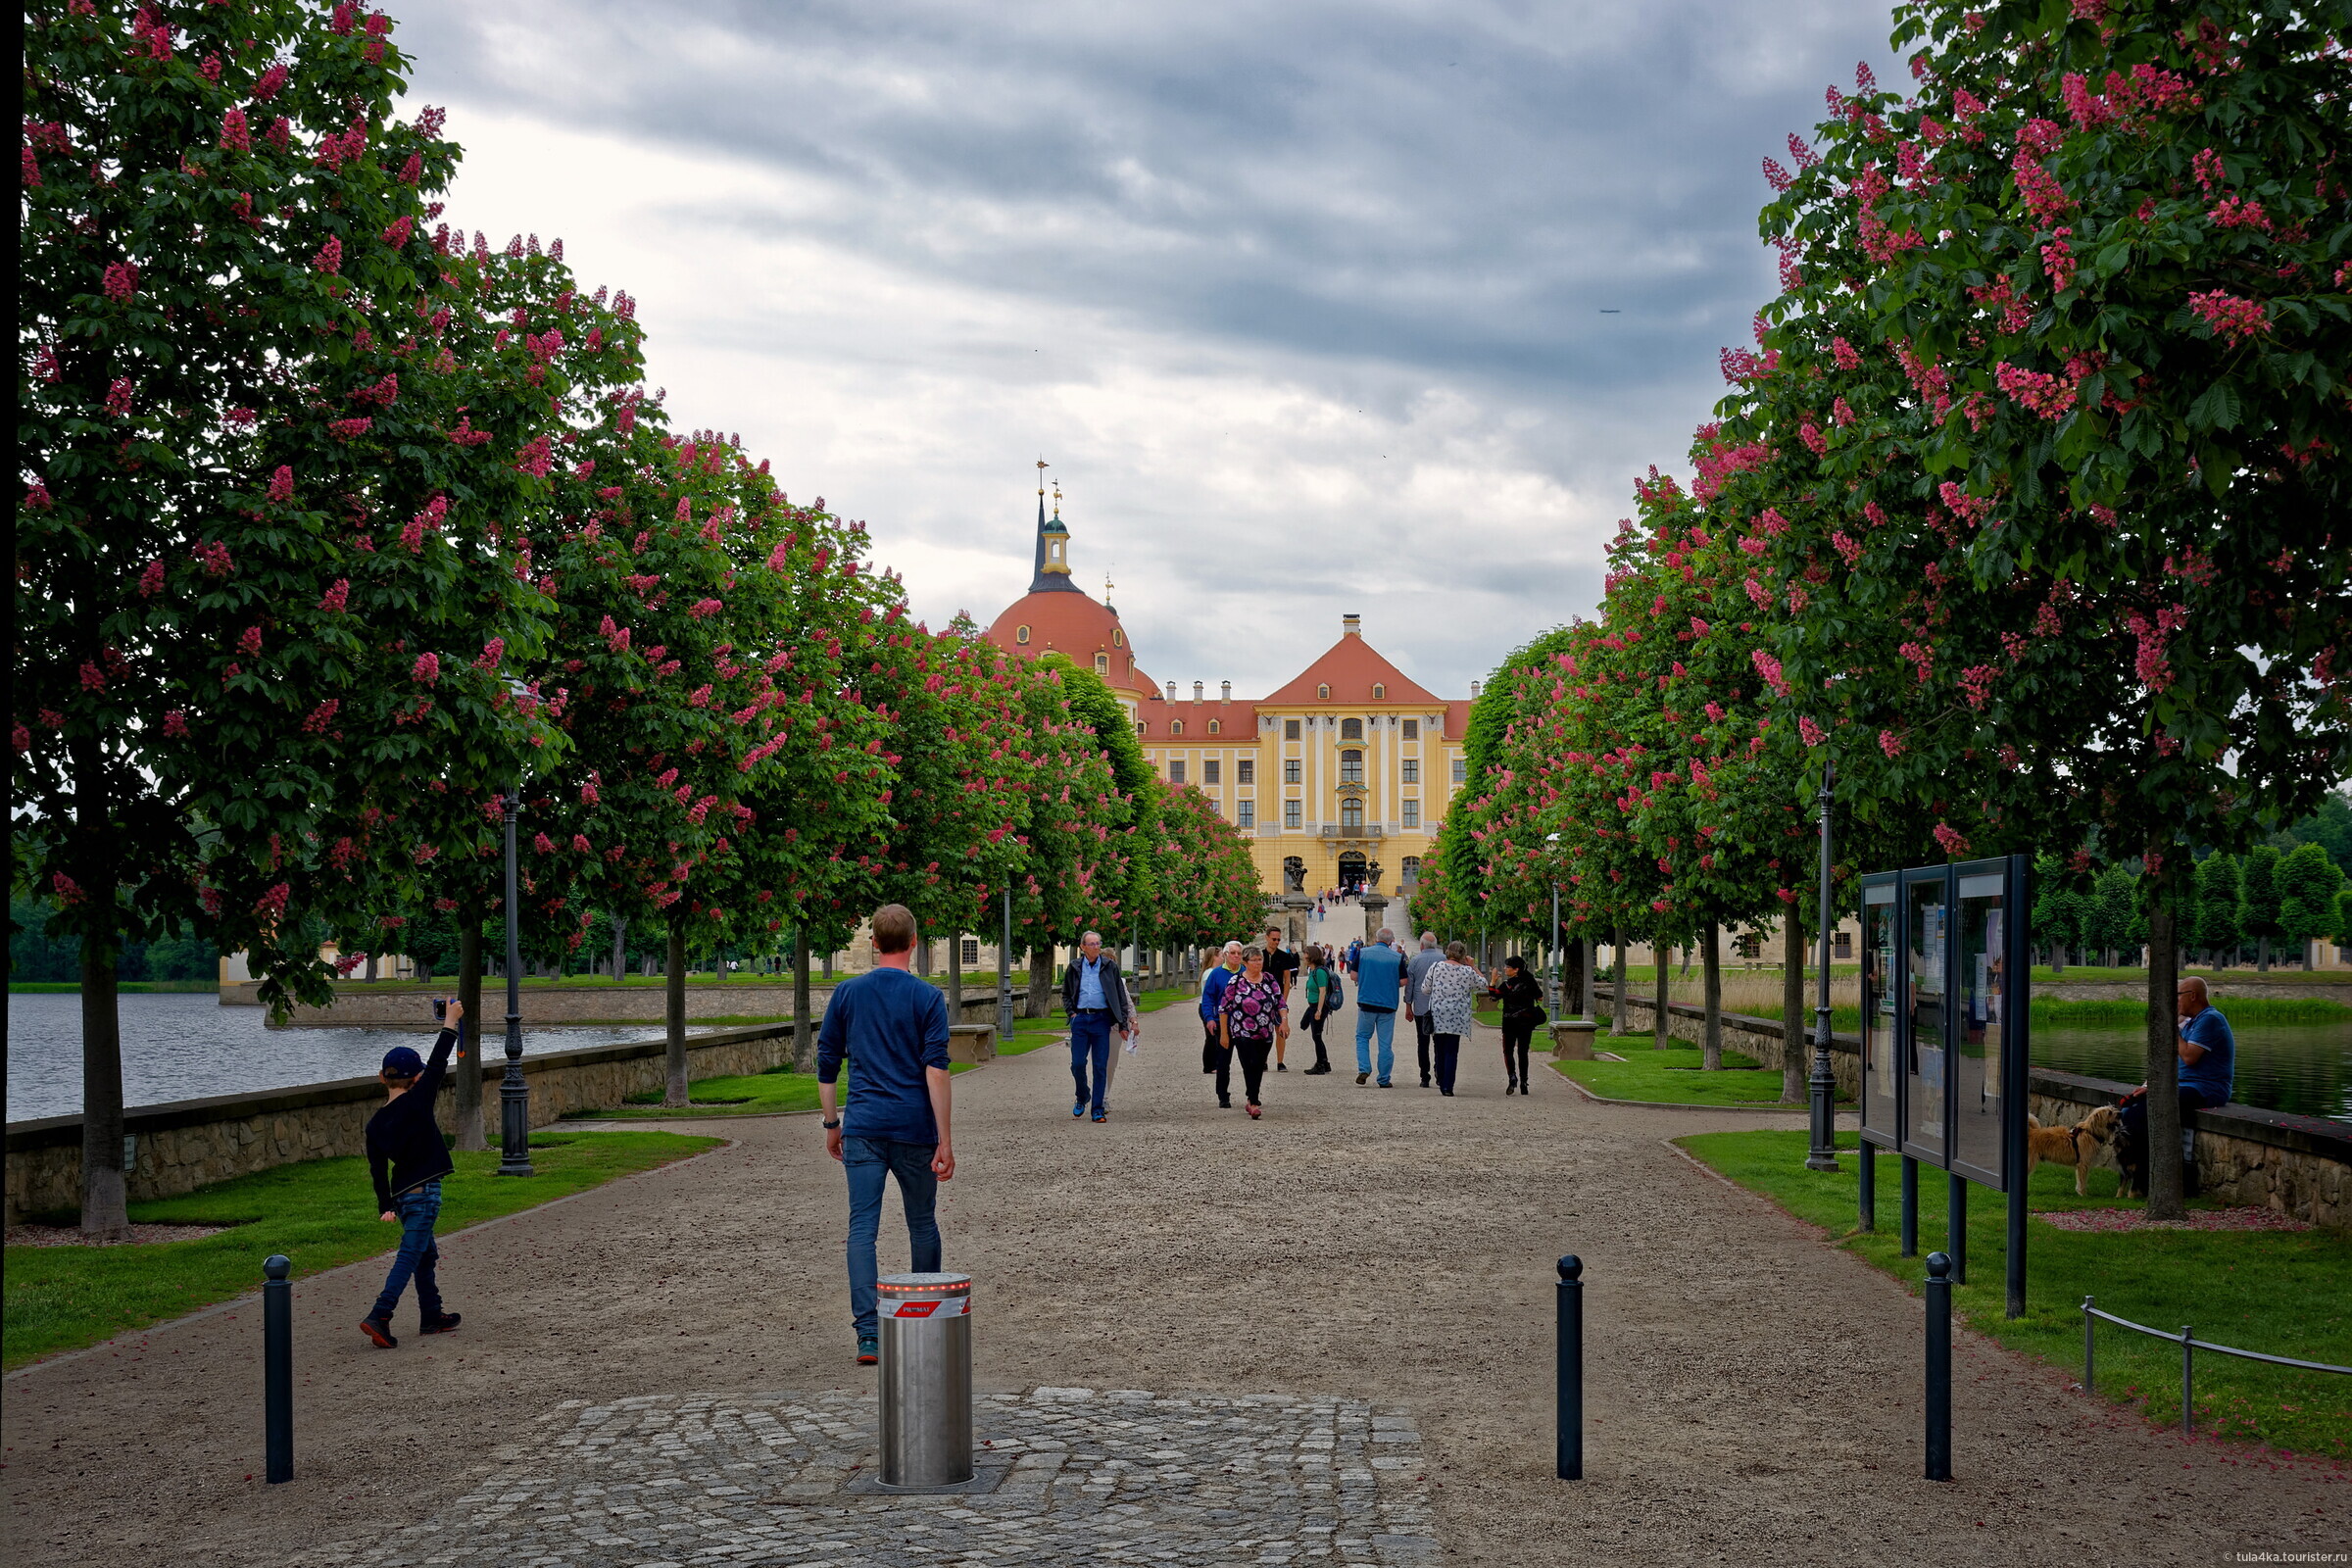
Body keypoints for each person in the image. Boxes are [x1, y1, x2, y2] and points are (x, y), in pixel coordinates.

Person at [817, 903, 955, 1365]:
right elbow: (936, 1070)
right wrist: (945, 1138)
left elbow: (828, 1063)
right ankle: (925, 1316)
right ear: (914, 943)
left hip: (865, 1125)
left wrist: (833, 1123)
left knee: (862, 1229)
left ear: (874, 943)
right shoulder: (928, 998)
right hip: (914, 1127)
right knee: (922, 1223)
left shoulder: (848, 993)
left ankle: (869, 1334)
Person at [360, 1000, 466, 1348]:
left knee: (425, 1254)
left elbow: (378, 1170)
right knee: (410, 1253)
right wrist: (451, 1021)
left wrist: (384, 1205)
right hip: (425, 1194)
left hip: (404, 1196)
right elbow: (439, 1061)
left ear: (381, 1078)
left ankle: (431, 1316)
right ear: (417, 1078)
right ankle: (381, 1313)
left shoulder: (375, 1124)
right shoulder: (419, 1100)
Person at [2116, 976, 2233, 1199]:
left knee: (2142, 1114)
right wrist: (2150, 1086)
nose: (2175, 1000)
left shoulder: (2210, 1019)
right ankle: (2139, 1178)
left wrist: (2172, 1029)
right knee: (2129, 1110)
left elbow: (2189, 1057)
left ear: (2193, 995)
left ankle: (2146, 1181)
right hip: (2183, 1086)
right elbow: (2173, 1064)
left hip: (2207, 1089)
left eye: (2178, 995)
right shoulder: (2192, 1021)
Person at [1059, 929, 1136, 1123]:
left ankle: (1097, 1108)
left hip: (1102, 1020)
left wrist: (1122, 1023)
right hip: (1081, 1020)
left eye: (1098, 943)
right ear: (1083, 947)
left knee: (1100, 1066)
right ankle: (1082, 1095)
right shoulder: (1075, 967)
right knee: (1077, 1064)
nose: (1096, 947)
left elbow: (1120, 996)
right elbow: (1066, 993)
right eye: (1092, 944)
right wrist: (1072, 1014)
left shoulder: (1109, 966)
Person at [1217, 945, 1290, 1119]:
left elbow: (1280, 1003)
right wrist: (1224, 1034)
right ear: (1246, 962)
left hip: (1265, 1030)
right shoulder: (1236, 982)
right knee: (1249, 1063)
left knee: (1258, 1065)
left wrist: (1284, 1022)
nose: (1258, 963)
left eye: (1260, 960)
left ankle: (1251, 1097)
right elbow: (1223, 1008)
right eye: (1254, 960)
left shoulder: (1269, 979)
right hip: (1242, 1031)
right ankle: (1254, 1101)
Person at [1414, 941, 1485, 1096]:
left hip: (1439, 1013)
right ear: (1463, 955)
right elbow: (1483, 984)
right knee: (1452, 1051)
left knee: (1439, 1049)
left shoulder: (1436, 967)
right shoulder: (1467, 971)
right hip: (1458, 1016)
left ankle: (1440, 1077)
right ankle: (1448, 1087)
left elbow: (1425, 989)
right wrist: (1473, 966)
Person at [1351, 927, 1406, 1087]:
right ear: (1391, 941)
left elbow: (1354, 975)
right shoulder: (1397, 957)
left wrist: (1368, 980)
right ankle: (1383, 1078)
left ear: (1376, 938)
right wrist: (1389, 983)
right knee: (1385, 1044)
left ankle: (1364, 1068)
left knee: (1362, 1037)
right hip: (1388, 1004)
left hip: (1367, 1001)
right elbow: (1403, 981)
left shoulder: (1363, 953)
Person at [1488, 955, 1544, 1095]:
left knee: (1508, 1051)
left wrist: (1493, 981)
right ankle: (1524, 1082)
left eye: (1508, 967)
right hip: (1526, 1021)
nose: (1505, 969)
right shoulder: (1530, 982)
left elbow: (1493, 997)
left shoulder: (1507, 985)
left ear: (1516, 969)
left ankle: (1512, 1078)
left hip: (1510, 1021)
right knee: (1523, 1052)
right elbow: (1540, 997)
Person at [1199, 939, 1246, 1107]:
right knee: (1223, 1062)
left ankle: (1251, 1094)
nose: (1236, 956)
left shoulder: (1246, 972)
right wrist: (1209, 1018)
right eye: (1232, 953)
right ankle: (1223, 1095)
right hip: (1222, 1023)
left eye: (1239, 953)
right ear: (1225, 955)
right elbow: (1208, 998)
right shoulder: (1216, 974)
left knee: (1248, 1061)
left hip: (1243, 1024)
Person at [1401, 931, 1445, 1089]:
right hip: (1440, 1007)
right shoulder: (1444, 959)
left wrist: (1408, 1005)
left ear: (1421, 946)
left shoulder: (1415, 961)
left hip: (1421, 1007)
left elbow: (1410, 986)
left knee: (1423, 1042)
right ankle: (1440, 1073)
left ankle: (1424, 1076)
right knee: (1439, 1042)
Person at [1262, 925, 1300, 1071]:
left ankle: (1280, 1061)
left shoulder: (1284, 956)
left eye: (1278, 939)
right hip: (1262, 998)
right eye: (1274, 939)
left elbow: (1287, 981)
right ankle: (1264, 1061)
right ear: (1267, 938)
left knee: (1281, 1030)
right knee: (1264, 1031)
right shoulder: (1260, 956)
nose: (1276, 942)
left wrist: (1283, 1001)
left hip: (1277, 997)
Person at [1300, 944, 1340, 1074]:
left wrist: (1319, 1010)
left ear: (1312, 956)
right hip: (1313, 1005)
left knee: (1317, 1036)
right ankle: (1325, 1062)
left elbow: (1323, 992)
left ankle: (1320, 1064)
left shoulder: (1320, 972)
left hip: (1319, 1007)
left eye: (1306, 955)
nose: (1304, 958)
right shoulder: (1313, 971)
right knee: (1304, 1025)